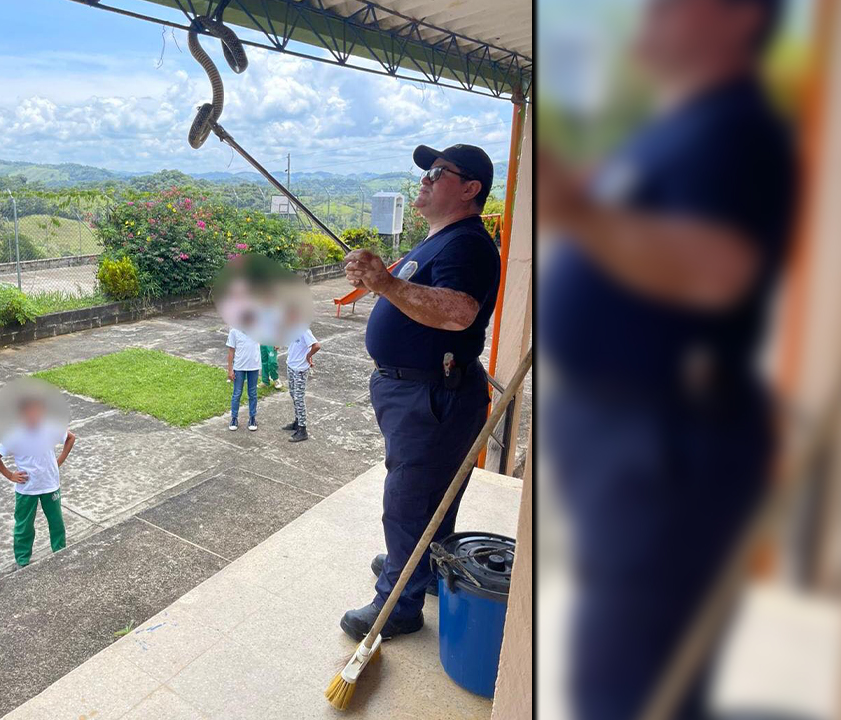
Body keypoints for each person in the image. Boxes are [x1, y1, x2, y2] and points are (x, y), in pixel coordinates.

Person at [538, 0, 792, 717]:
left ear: (739, 18)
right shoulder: (673, 131)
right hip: (624, 429)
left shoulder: (737, 129)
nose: (648, 14)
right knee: (627, 655)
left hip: (667, 437)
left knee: (632, 674)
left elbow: (717, 271)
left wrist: (580, 213)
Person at [339, 143, 499, 642]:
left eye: (437, 172)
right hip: (416, 392)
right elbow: (412, 297)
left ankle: (398, 606)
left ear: (470, 188)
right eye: (425, 172)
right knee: (429, 495)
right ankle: (421, 566)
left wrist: (385, 284)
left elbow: (458, 312)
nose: (424, 180)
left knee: (410, 500)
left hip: (432, 394)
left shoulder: (466, 243)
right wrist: (377, 280)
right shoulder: (441, 239)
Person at [0, 397, 75, 568]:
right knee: (24, 526)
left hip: (50, 485)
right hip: (27, 489)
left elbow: (70, 438)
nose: (33, 416)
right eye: (28, 412)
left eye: (37, 411)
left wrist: (58, 462)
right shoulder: (14, 435)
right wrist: (10, 475)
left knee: (56, 522)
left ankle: (60, 551)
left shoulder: (51, 427)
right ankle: (22, 559)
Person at [282, 324, 321, 443]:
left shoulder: (304, 330)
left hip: (300, 369)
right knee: (293, 394)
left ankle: (302, 429)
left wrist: (308, 356)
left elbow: (316, 345)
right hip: (291, 365)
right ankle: (297, 422)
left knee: (299, 397)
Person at [226, 325, 261, 431]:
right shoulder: (234, 331)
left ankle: (252, 418)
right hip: (239, 367)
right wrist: (230, 369)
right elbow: (231, 351)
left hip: (253, 366)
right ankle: (234, 418)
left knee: (253, 393)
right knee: (237, 393)